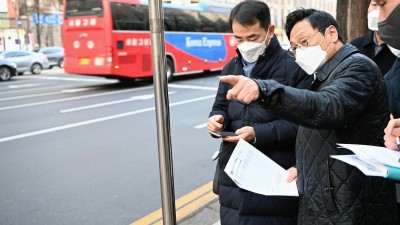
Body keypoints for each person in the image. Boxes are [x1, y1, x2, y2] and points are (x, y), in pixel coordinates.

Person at [218, 8, 399, 225]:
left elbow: (327, 107)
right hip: (330, 200)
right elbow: (320, 137)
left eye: (304, 42)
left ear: (331, 33)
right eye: (294, 48)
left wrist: (264, 91)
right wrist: (303, 169)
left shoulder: (357, 66)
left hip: (350, 206)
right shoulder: (323, 74)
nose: (299, 51)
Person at [207, 1, 313, 224]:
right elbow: (220, 107)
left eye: (253, 37)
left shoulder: (296, 68)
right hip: (233, 179)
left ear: (270, 31)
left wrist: (258, 133)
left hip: (275, 177)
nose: (245, 45)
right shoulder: (231, 67)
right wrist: (216, 119)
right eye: (239, 38)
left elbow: (306, 124)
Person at [350, 0, 396, 75]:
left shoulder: (397, 51)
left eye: (382, 6)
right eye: (374, 5)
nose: (377, 11)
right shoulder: (355, 46)